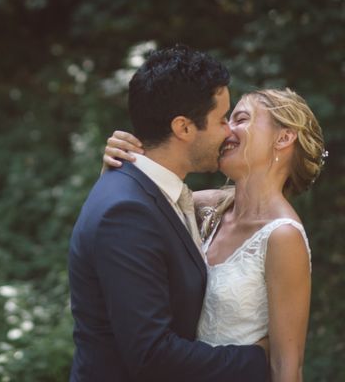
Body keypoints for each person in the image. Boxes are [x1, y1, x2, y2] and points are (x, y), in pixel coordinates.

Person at [68, 46, 269, 382]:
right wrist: (261, 358)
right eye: (222, 119)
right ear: (184, 128)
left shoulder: (162, 193)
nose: (229, 132)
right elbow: (152, 356)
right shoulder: (127, 211)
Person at [102, 87, 325, 382]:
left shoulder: (283, 237)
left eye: (241, 119)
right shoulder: (201, 206)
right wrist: (115, 168)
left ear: (283, 138)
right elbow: (127, 214)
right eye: (227, 120)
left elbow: (287, 367)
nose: (226, 130)